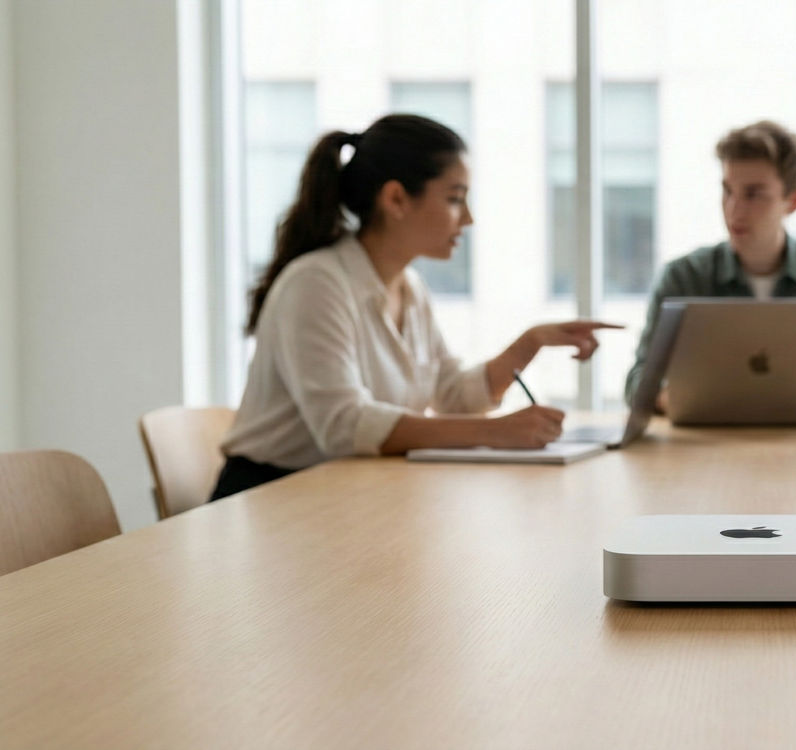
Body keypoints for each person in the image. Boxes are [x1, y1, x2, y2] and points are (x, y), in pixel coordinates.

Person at [212, 114, 620, 500]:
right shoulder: (316, 284)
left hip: (351, 492)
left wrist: (529, 344)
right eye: (455, 199)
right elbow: (343, 427)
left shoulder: (410, 288)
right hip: (273, 496)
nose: (469, 219)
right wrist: (493, 432)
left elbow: (450, 395)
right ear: (395, 199)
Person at [623, 120, 796, 416]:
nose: (734, 209)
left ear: (793, 201)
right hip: (704, 449)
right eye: (728, 191)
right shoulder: (682, 278)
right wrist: (672, 398)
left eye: (753, 194)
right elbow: (639, 378)